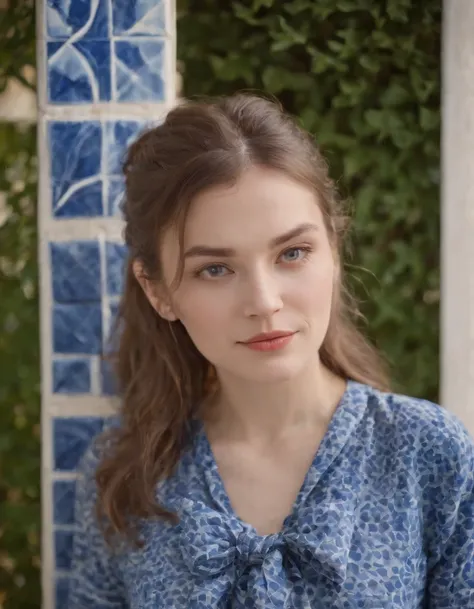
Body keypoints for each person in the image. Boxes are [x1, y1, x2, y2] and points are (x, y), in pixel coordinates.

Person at [68, 93, 474, 609]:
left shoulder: (429, 453)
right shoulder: (124, 479)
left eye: (293, 253)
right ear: (158, 291)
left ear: (334, 249)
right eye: (215, 269)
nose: (264, 302)